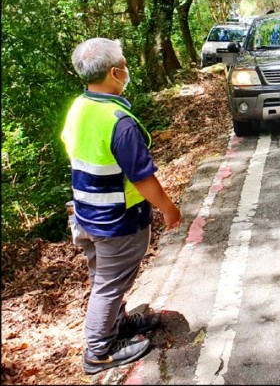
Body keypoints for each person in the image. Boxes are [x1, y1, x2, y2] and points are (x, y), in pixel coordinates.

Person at [61, 38, 182, 374]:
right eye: (125, 65)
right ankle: (98, 351)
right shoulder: (118, 121)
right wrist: (168, 208)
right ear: (115, 72)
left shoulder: (80, 107)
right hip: (116, 220)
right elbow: (142, 178)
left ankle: (119, 323)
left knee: (105, 276)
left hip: (86, 213)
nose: (127, 70)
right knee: (110, 283)